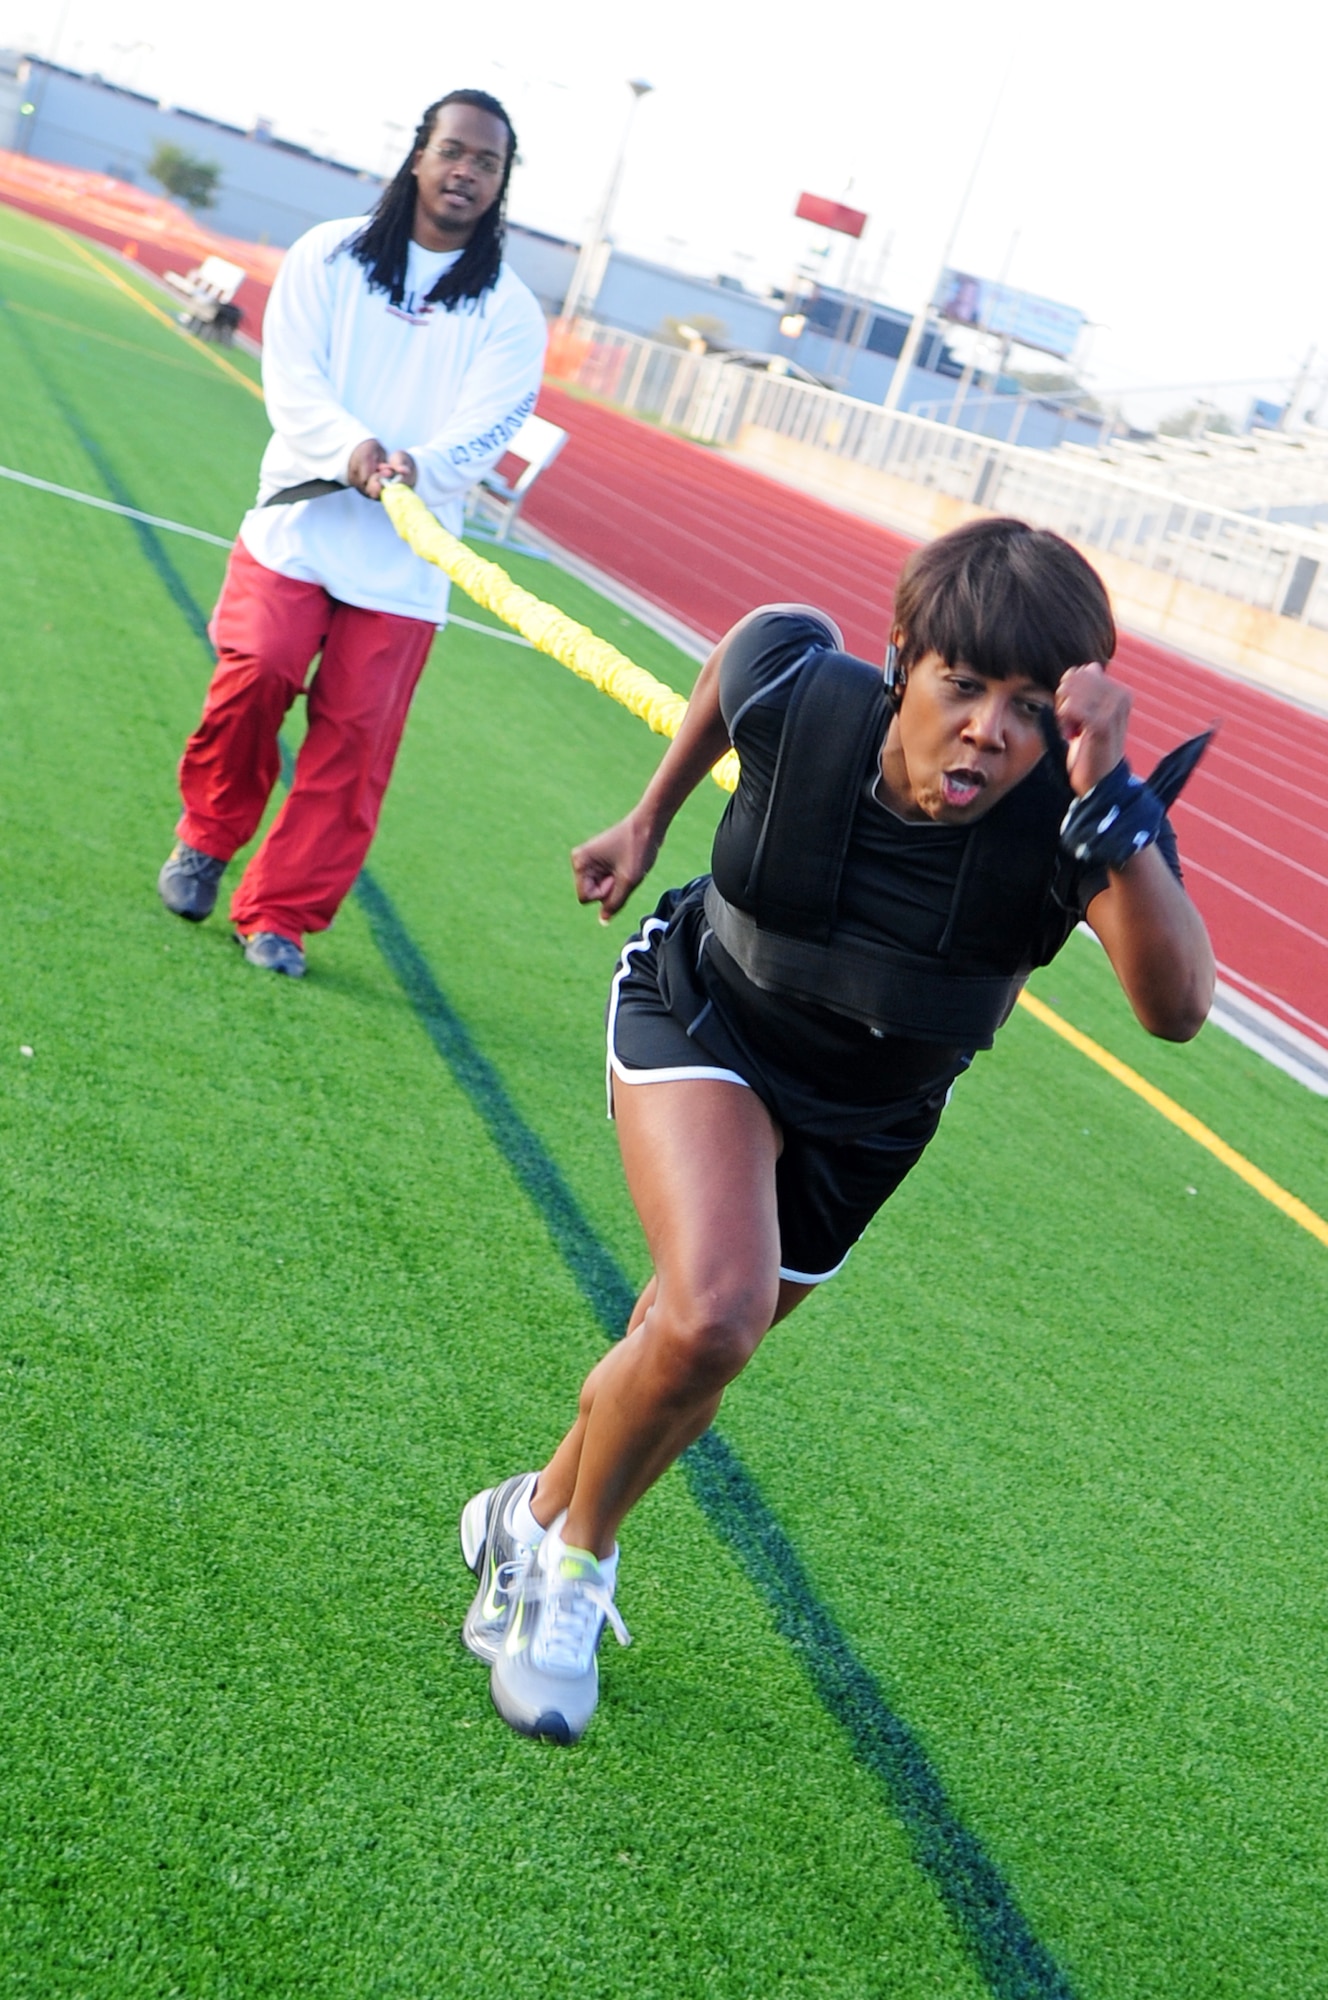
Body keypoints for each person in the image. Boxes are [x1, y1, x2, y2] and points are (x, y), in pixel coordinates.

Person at [458, 516, 1216, 1744]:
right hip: (703, 1014)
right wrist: (647, 817)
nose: (987, 728)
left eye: (1028, 705)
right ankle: (567, 1568)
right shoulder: (807, 698)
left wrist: (1112, 803)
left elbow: (1174, 1008)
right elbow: (736, 652)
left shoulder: (1074, 822)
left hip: (868, 1115)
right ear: (900, 658)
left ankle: (526, 1513)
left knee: (687, 1346)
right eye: (960, 685)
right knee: (712, 1310)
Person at [158, 90, 547, 976]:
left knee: (356, 741)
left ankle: (279, 915)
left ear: (500, 183)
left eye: (486, 163)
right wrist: (352, 449)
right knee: (256, 672)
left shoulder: (511, 311)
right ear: (419, 155)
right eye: (453, 152)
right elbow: (290, 376)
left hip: (405, 558)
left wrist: (416, 467)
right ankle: (207, 840)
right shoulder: (326, 254)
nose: (466, 173)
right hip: (299, 518)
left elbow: (493, 426)